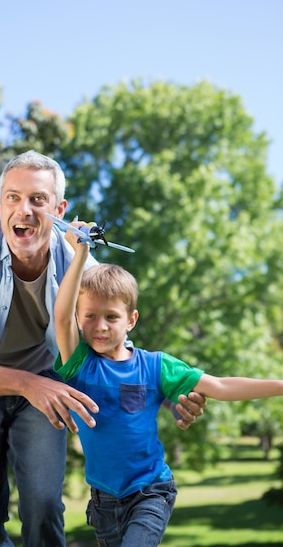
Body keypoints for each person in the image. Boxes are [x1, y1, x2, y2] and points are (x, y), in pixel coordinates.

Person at [0, 150, 205, 547]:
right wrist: (25, 383)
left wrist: (167, 393)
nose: (23, 210)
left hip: (47, 389)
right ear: (0, 202)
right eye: (12, 197)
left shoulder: (78, 261)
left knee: (44, 509)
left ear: (59, 208)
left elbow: (110, 339)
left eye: (38, 199)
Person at [54, 224, 283, 547]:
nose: (100, 326)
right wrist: (81, 253)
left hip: (150, 491)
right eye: (90, 316)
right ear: (79, 318)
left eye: (112, 317)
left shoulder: (156, 366)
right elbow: (61, 317)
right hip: (104, 501)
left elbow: (220, 386)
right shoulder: (80, 364)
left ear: (131, 320)